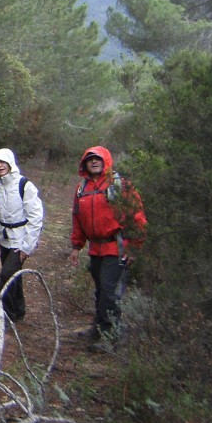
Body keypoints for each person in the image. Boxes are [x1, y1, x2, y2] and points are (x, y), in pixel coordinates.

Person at [68, 146, 147, 349]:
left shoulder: (120, 186)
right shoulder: (81, 189)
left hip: (116, 248)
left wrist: (135, 247)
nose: (94, 162)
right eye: (90, 159)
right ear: (84, 163)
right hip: (96, 249)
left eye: (98, 159)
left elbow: (137, 216)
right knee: (101, 291)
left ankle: (110, 337)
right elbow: (77, 219)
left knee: (110, 293)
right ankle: (99, 328)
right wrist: (77, 246)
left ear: (106, 162)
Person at [0, 148, 44, 323]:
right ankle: (19, 310)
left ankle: (8, 315)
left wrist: (27, 246)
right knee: (14, 276)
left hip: (20, 240)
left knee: (6, 275)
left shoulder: (24, 185)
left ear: (10, 163)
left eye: (2, 162)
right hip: (5, 239)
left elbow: (36, 217)